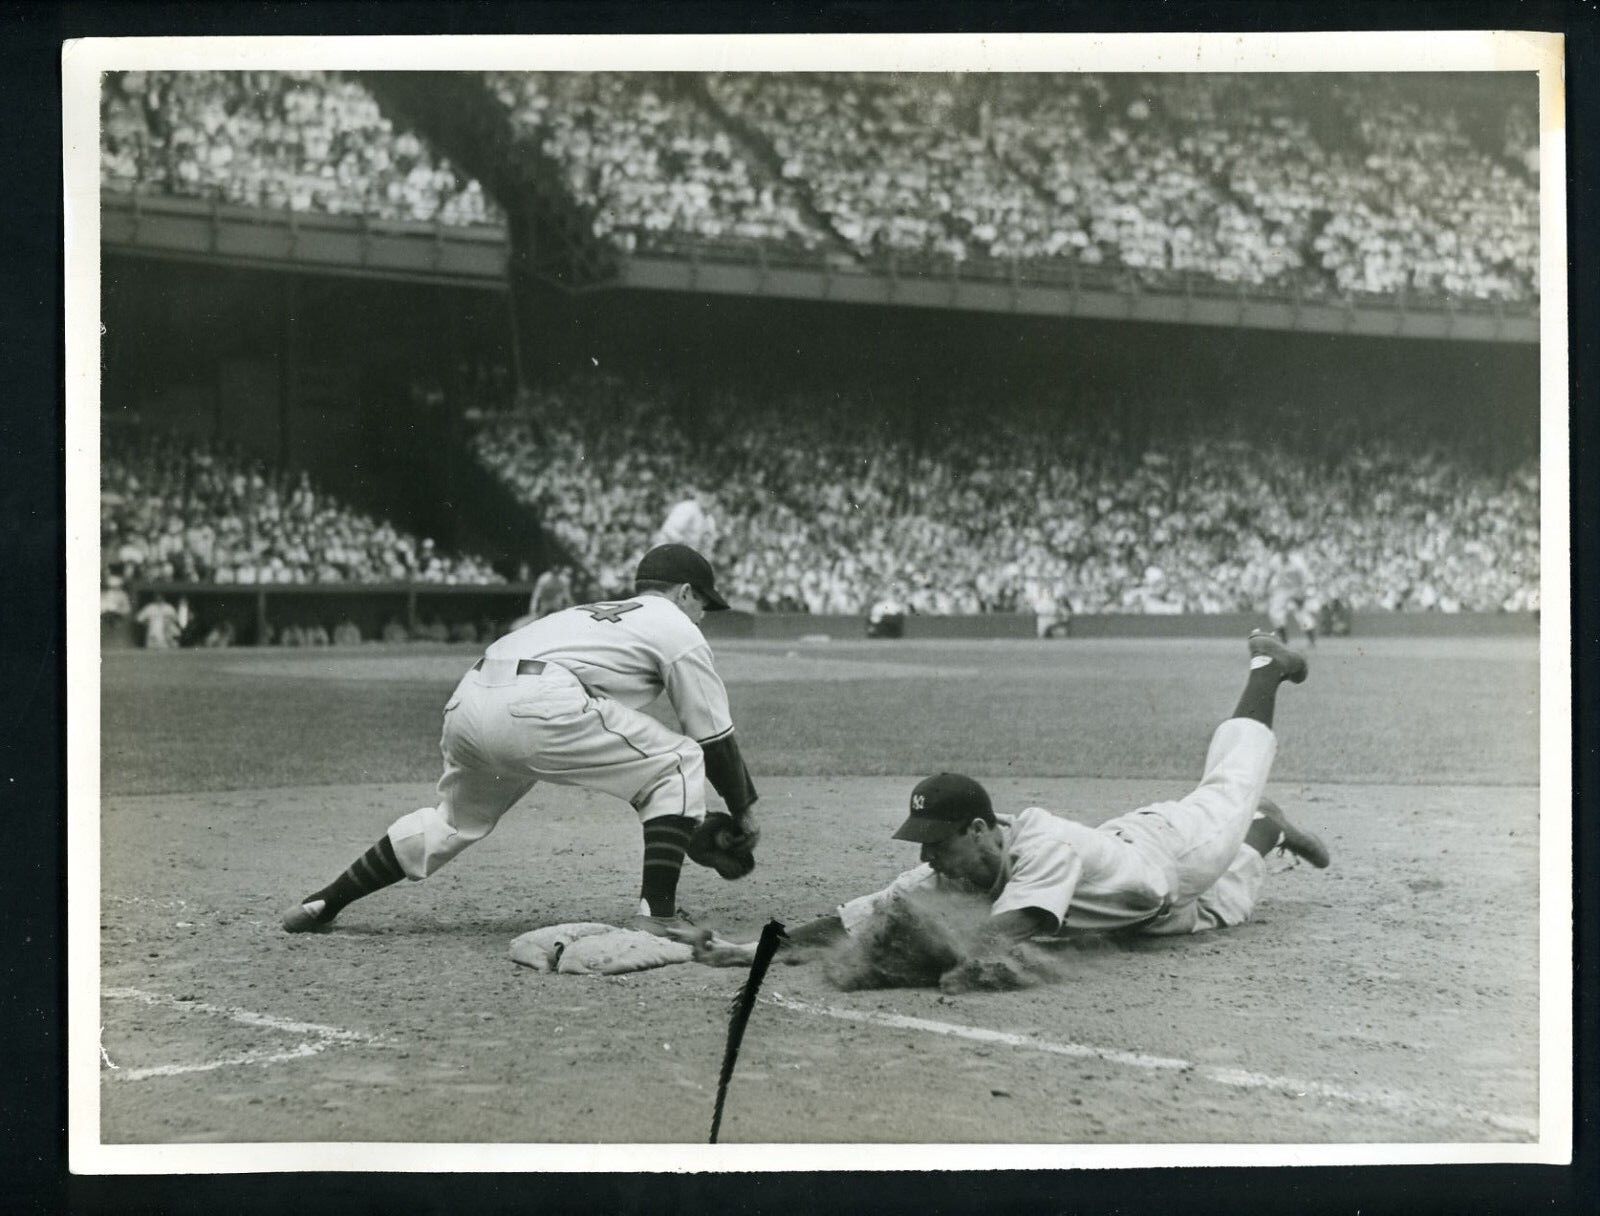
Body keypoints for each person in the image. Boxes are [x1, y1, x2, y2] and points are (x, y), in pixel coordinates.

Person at [783, 632, 1329, 990]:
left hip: (1172, 854)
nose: (928, 856)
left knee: (1229, 786)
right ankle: (1268, 831)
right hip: (1151, 917)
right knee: (1227, 906)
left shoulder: (1045, 850)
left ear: (980, 830)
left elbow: (996, 939)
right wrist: (757, 947)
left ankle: (1266, 664)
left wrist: (901, 957)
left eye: (937, 842)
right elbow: (865, 913)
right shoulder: (957, 867)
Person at [281, 544, 761, 938]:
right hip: (537, 703)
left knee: (451, 821)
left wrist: (685, 820)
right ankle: (658, 915)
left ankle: (326, 899)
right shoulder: (677, 626)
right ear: (682, 592)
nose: (704, 615)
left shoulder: (588, 614)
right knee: (679, 760)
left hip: (467, 703)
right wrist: (744, 812)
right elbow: (713, 735)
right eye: (704, 603)